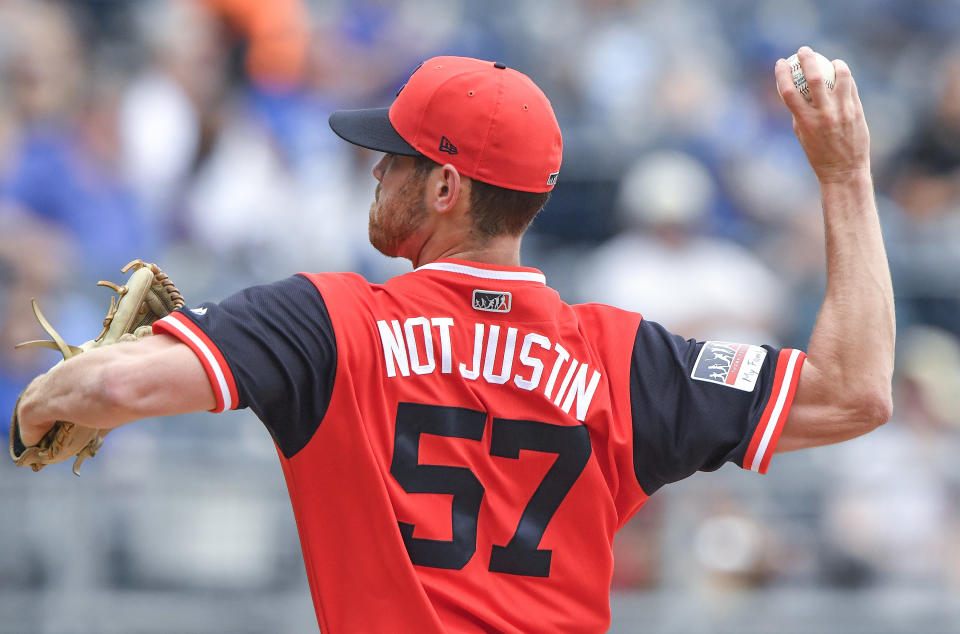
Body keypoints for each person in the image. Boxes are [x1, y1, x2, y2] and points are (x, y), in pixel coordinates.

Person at [13, 50, 894, 632]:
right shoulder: (622, 360)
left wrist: (36, 404)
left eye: (394, 156)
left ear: (443, 186)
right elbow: (854, 392)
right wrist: (848, 177)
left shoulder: (331, 320)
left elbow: (117, 390)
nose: (375, 166)